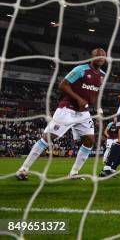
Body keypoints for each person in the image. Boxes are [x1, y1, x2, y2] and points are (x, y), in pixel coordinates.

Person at [16, 48, 106, 180]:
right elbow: (63, 85)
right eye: (98, 56)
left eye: (103, 56)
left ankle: (74, 173)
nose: (100, 58)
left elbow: (97, 94)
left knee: (90, 140)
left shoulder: (102, 75)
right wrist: (78, 99)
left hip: (84, 113)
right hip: (67, 109)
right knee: (48, 138)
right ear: (92, 58)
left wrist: (99, 112)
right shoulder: (81, 70)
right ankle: (23, 170)